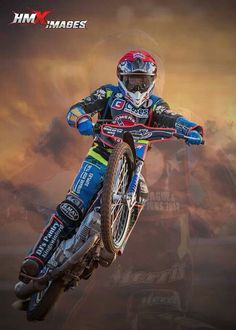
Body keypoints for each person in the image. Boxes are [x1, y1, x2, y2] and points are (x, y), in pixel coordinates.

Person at [19, 50, 203, 281]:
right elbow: (78, 108)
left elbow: (172, 118)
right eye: (132, 81)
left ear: (152, 81)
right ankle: (36, 257)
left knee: (142, 194)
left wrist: (191, 129)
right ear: (121, 78)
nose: (137, 88)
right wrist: (82, 119)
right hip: (100, 156)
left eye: (142, 81)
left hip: (132, 165)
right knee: (73, 206)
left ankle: (114, 244)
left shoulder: (155, 104)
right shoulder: (108, 92)